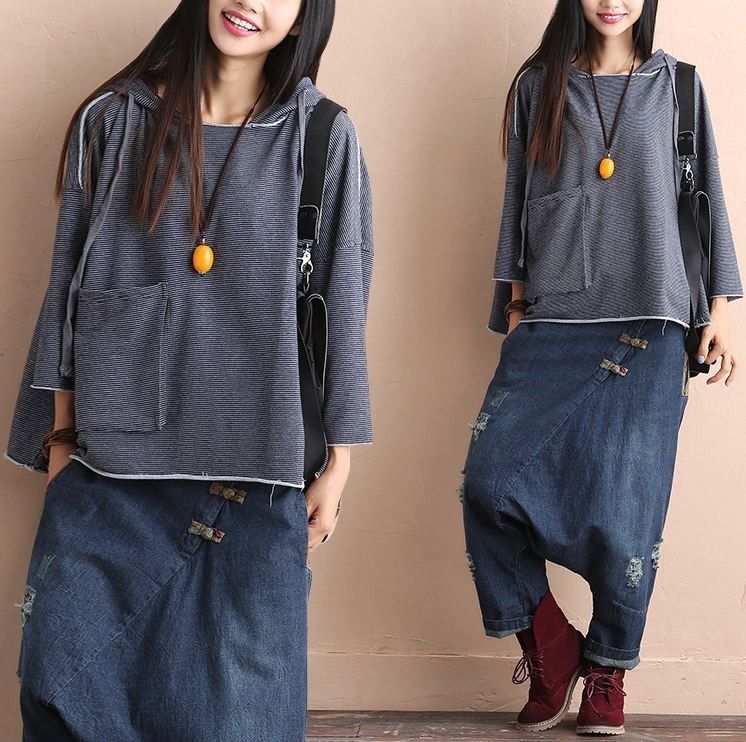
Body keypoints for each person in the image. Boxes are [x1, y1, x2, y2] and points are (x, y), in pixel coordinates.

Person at [5, 0, 373, 739]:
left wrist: (339, 463)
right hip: (111, 472)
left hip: (255, 481)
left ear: (305, 16)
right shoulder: (113, 121)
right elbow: (67, 287)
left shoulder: (322, 136)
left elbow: (343, 302)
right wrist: (59, 437)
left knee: (237, 721)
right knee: (64, 697)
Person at [460, 0, 741, 735]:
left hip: (653, 318)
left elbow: (706, 198)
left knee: (629, 513)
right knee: (486, 483)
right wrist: (513, 303)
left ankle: (609, 670)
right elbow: (517, 200)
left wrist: (720, 310)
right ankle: (552, 646)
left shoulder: (679, 86)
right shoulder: (538, 86)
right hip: (552, 316)